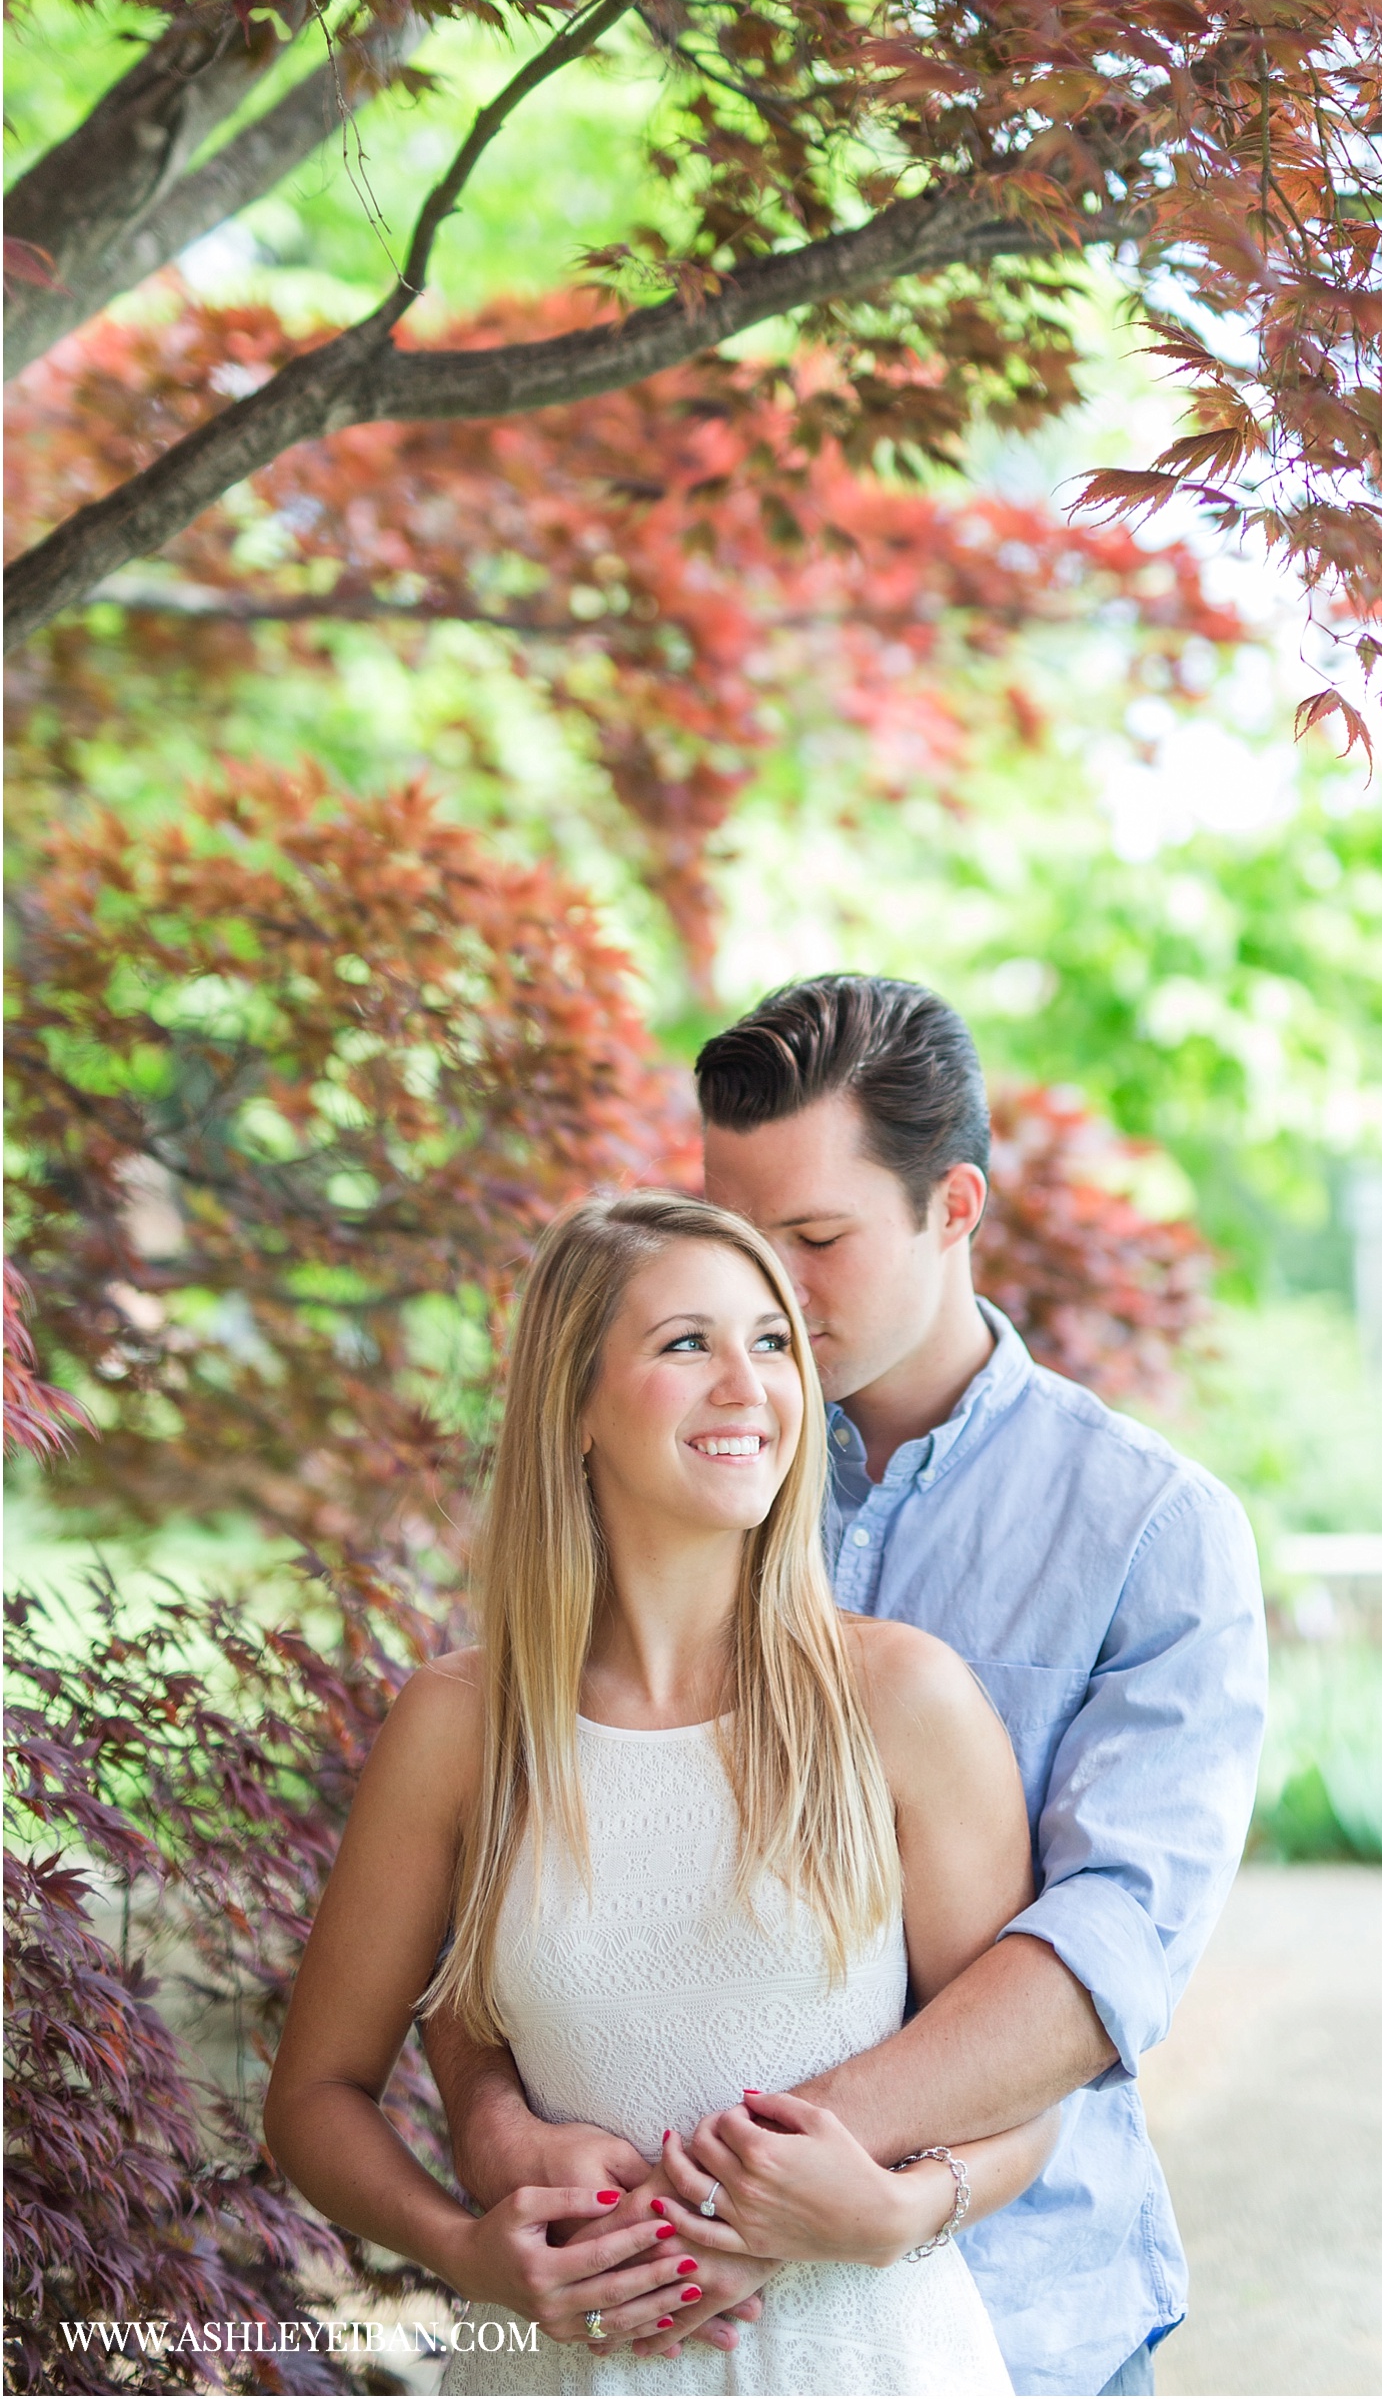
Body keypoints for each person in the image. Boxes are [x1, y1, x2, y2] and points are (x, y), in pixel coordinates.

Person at [426, 978, 1270, 2398]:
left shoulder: (1146, 1532)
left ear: (953, 1206)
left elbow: (1103, 1956)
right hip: (637, 2339)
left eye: (813, 1239)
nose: (768, 1291)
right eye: (739, 1237)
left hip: (1027, 2319)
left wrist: (747, 2196)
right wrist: (491, 2119)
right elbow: (509, 1881)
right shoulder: (658, 1456)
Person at [265, 1189, 1059, 2395]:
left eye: (773, 1339)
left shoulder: (904, 1699)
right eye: (688, 1342)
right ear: (575, 1405)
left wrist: (899, 2209)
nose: (748, 1382)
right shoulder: (462, 1726)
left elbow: (1025, 2092)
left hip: (867, 2359)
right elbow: (315, 2096)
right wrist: (466, 2252)